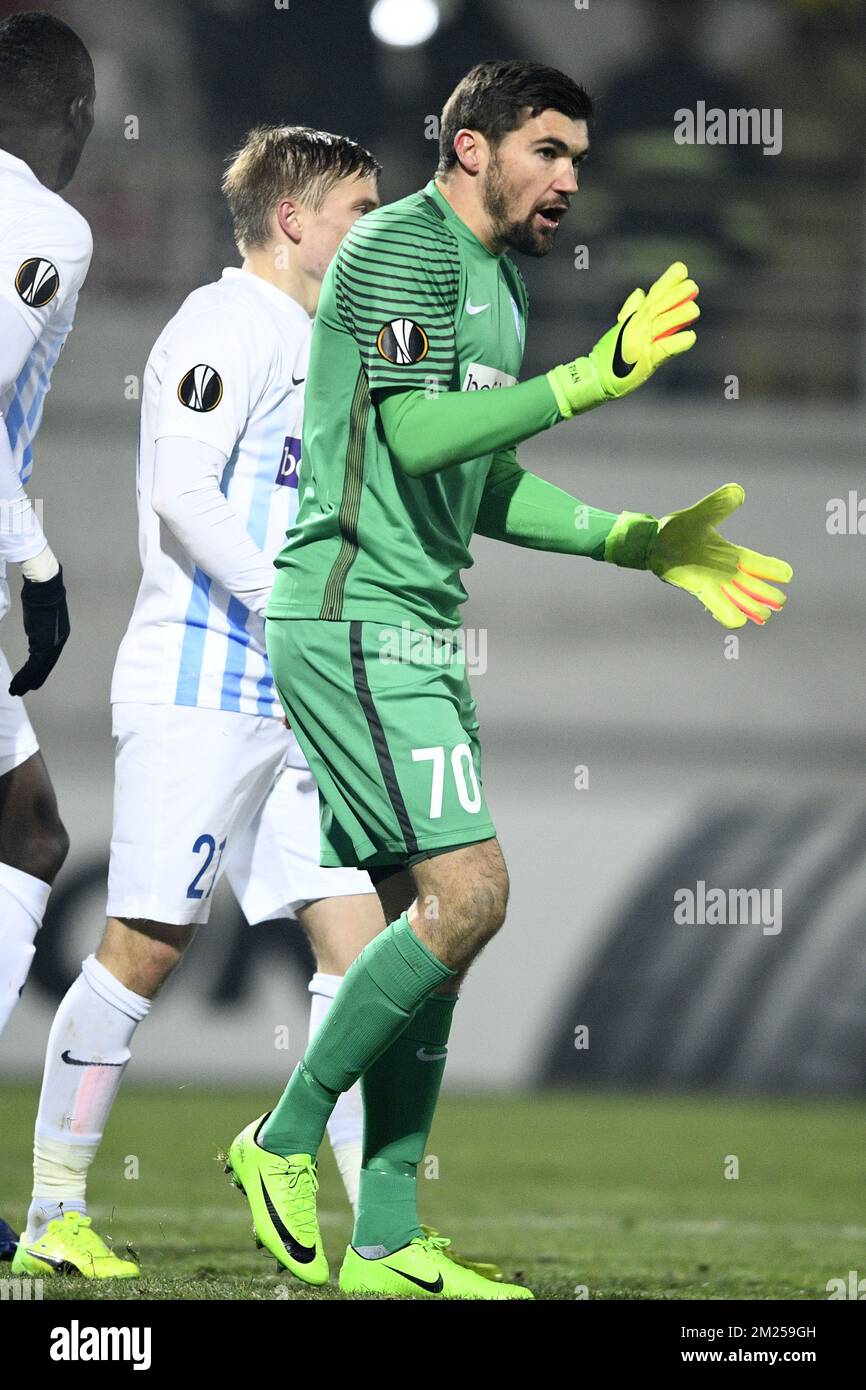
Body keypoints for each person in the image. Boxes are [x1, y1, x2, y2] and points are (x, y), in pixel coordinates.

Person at [224, 59, 792, 1300]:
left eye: (577, 156)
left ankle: (380, 1240)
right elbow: (415, 434)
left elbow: (475, 483)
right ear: (471, 148)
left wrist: (636, 542)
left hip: (417, 622)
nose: (570, 178)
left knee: (439, 928)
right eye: (548, 150)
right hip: (349, 614)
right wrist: (592, 378)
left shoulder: (493, 286)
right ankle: (276, 1139)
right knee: (472, 894)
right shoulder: (394, 252)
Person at [12, 125, 389, 1280]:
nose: (376, 228)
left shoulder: (327, 338)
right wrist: (292, 603)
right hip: (199, 680)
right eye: (359, 208)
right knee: (141, 949)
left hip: (295, 694)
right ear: (293, 218)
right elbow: (181, 490)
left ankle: (378, 1232)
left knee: (362, 955)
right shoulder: (222, 325)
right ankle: (54, 1212)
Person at [0, 10, 94, 1045]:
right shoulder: (42, 225)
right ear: (74, 118)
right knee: (25, 837)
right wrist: (37, 561)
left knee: (28, 832)